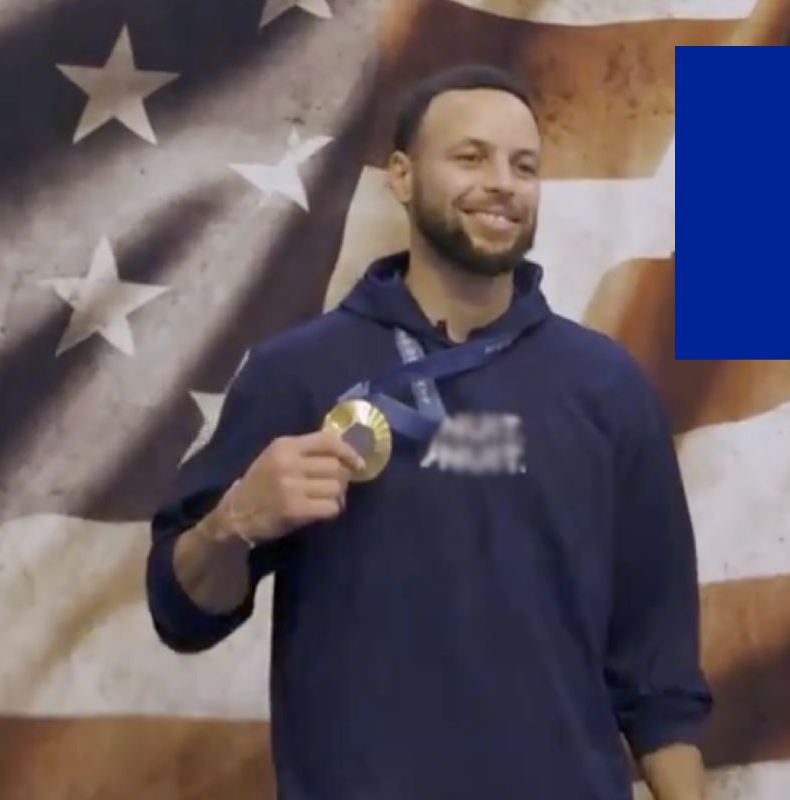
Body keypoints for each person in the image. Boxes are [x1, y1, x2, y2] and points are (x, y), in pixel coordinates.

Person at [145, 63, 712, 800]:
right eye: (470, 157)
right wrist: (234, 523)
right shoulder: (298, 374)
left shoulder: (606, 386)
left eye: (525, 165)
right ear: (402, 178)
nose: (503, 182)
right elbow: (181, 612)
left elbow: (657, 662)